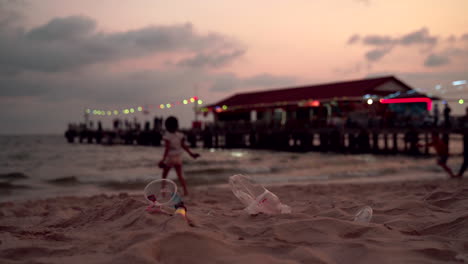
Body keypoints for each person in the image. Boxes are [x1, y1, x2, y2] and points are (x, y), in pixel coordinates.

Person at [159, 116, 199, 195]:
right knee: (180, 175)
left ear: (166, 126)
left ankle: (163, 192)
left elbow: (167, 149)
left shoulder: (167, 136)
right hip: (178, 157)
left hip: (170, 157)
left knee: (164, 175)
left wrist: (163, 159)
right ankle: (185, 191)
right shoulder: (180, 135)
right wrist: (191, 154)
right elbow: (184, 146)